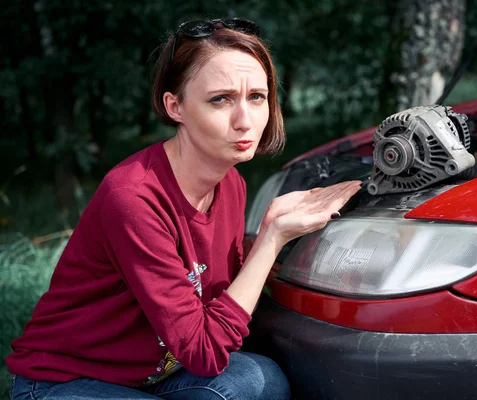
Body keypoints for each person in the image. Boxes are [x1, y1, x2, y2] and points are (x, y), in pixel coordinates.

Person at [6, 18, 361, 400]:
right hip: (64, 381)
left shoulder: (230, 183)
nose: (245, 121)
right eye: (220, 99)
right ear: (174, 106)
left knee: (261, 381)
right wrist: (272, 240)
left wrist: (271, 224)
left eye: (257, 97)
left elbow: (219, 310)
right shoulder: (133, 198)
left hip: (154, 375)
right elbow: (205, 351)